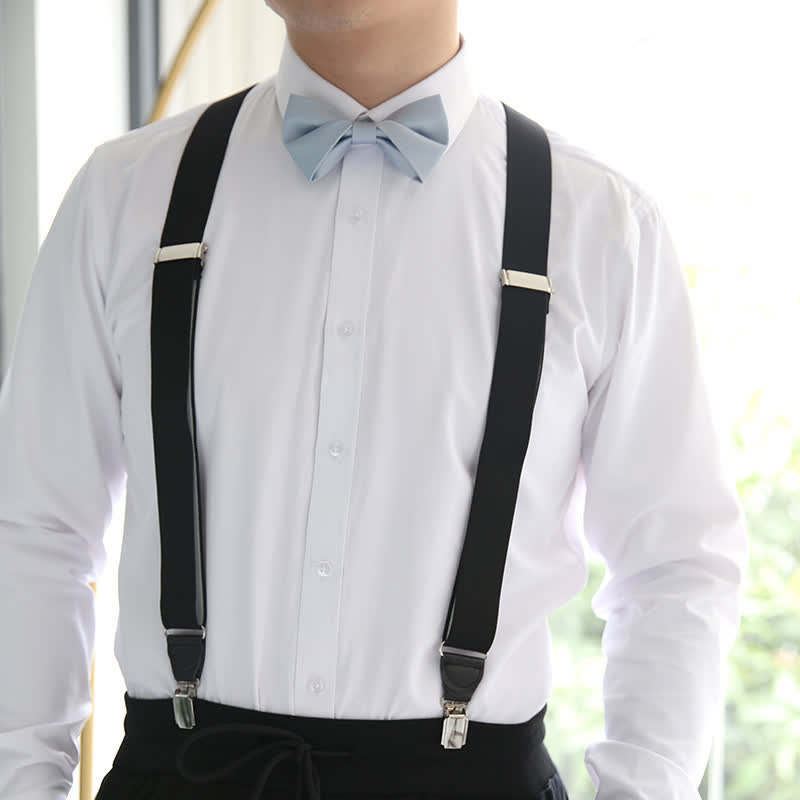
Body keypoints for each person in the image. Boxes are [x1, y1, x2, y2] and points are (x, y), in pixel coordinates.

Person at [0, 1, 748, 798]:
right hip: (185, 772)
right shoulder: (124, 197)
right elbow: (34, 529)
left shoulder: (601, 225)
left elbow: (676, 561)